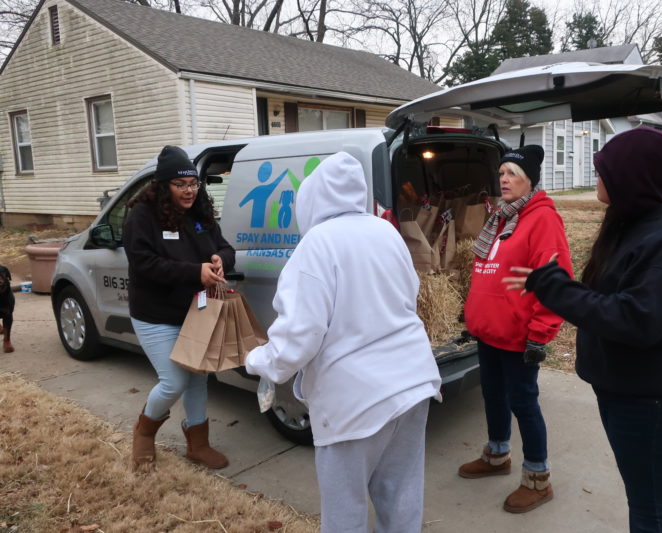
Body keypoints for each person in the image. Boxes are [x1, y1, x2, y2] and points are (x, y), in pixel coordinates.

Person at [503, 127, 662, 532]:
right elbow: (612, 297)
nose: (597, 177)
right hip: (631, 392)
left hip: (653, 401)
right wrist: (554, 285)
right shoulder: (636, 223)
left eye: (603, 170)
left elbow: (634, 320)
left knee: (650, 509)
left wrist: (555, 288)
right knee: (645, 499)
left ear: (630, 176)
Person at [245, 152, 442, 533]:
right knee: (401, 496)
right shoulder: (385, 231)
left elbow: (298, 338)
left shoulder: (316, 245)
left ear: (312, 198)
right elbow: (410, 294)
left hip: (354, 401)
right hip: (414, 383)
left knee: (344, 511)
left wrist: (257, 360)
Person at [459, 145, 573, 514]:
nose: (504, 179)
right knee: (493, 395)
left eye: (512, 174)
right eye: (502, 173)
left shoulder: (541, 219)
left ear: (529, 181)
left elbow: (556, 279)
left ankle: (538, 479)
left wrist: (540, 333)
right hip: (490, 329)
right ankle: (496, 455)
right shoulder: (501, 218)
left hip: (519, 333)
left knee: (523, 402)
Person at [123, 145, 235, 472]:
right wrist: (193, 272)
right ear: (162, 186)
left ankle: (197, 444)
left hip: (194, 311)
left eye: (193, 184)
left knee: (198, 379)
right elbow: (144, 264)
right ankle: (144, 432)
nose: (189, 191)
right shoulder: (141, 217)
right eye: (180, 185)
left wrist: (220, 259)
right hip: (155, 315)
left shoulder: (199, 214)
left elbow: (225, 247)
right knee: (174, 382)